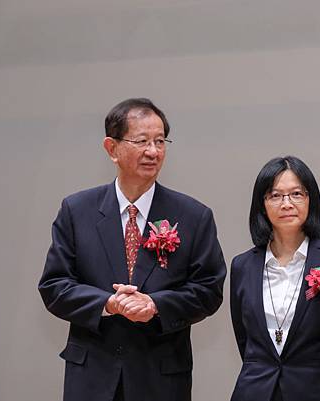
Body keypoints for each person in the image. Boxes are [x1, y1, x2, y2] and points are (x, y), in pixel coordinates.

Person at [39, 98, 226, 401]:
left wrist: (155, 305)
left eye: (160, 141)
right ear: (111, 148)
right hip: (92, 375)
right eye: (142, 141)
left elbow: (209, 290)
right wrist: (108, 303)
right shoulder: (77, 211)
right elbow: (54, 286)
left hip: (161, 378)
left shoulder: (193, 215)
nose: (153, 151)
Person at [230, 156, 320, 401]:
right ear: (261, 204)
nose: (286, 204)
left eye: (296, 194)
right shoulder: (243, 266)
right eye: (275, 195)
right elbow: (245, 341)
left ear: (311, 200)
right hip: (257, 392)